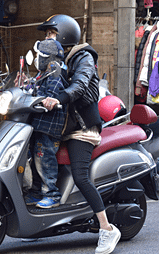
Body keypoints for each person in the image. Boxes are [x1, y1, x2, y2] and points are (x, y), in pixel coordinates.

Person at [38, 14, 121, 254]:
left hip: (82, 128)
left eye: (51, 34)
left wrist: (58, 98)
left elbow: (81, 84)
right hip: (62, 126)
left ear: (64, 34)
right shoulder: (56, 59)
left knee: (81, 176)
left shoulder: (83, 57)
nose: (48, 38)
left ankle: (107, 229)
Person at [23, 37, 67, 209]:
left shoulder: (55, 71)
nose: (36, 58)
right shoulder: (44, 73)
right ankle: (35, 192)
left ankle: (52, 194)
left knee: (44, 159)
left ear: (47, 57)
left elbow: (52, 93)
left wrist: (40, 97)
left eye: (39, 55)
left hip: (48, 127)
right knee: (34, 159)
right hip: (38, 124)